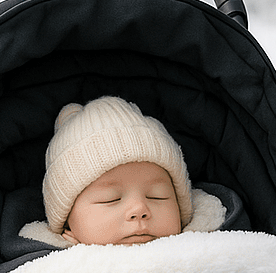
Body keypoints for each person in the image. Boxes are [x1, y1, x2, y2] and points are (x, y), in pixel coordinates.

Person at [23, 95, 224, 247]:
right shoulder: (42, 269)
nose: (139, 210)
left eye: (157, 196)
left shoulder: (214, 244)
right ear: (67, 223)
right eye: (110, 199)